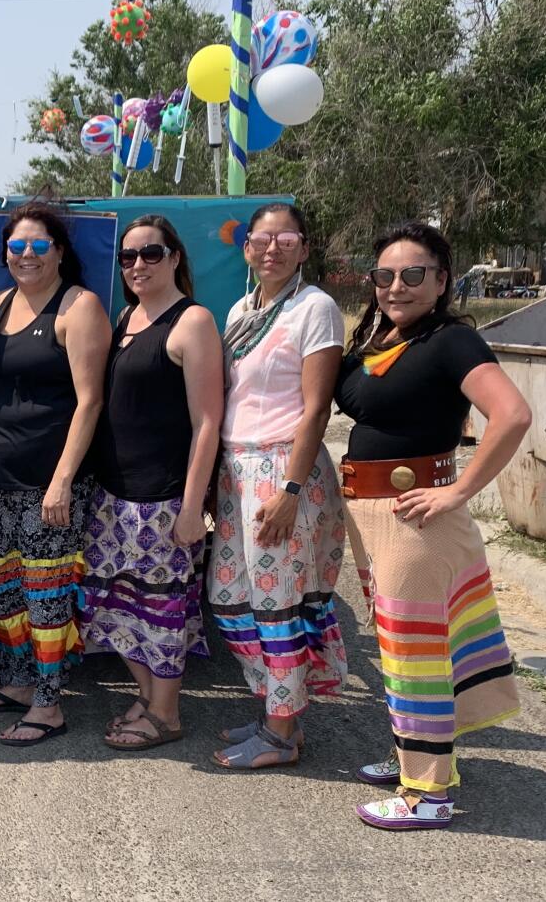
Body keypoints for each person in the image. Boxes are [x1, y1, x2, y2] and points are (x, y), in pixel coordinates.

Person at [336, 223, 528, 830]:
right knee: (401, 646)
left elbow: (513, 415)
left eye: (413, 274)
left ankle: (428, 794)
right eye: (385, 275)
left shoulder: (450, 341)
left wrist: (460, 490)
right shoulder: (384, 336)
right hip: (372, 518)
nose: (397, 286)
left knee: (414, 653)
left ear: (442, 281)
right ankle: (413, 756)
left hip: (414, 521)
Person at [207, 202, 349, 768]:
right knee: (229, 596)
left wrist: (290, 492)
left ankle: (282, 733)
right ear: (246, 248)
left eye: (285, 238)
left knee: (277, 605)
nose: (273, 248)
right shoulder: (243, 309)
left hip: (283, 469)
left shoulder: (315, 308)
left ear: (305, 247)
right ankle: (273, 703)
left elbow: (316, 410)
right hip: (236, 468)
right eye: (262, 238)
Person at [79, 215, 223, 750]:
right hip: (114, 498)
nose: (138, 264)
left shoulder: (193, 322)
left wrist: (191, 506)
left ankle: (166, 713)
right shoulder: (126, 318)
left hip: (162, 500)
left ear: (175, 257)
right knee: (113, 606)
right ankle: (149, 696)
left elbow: (208, 421)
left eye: (151, 253)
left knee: (160, 609)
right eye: (128, 257)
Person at [0, 201, 110, 746]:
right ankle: (20, 684)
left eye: (38, 245)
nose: (26, 255)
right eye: (17, 246)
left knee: (47, 594)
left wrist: (62, 480)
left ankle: (50, 705)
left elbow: (90, 401)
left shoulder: (79, 307)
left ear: (59, 252)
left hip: (48, 482)